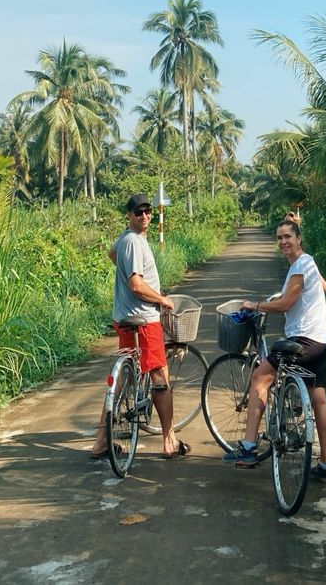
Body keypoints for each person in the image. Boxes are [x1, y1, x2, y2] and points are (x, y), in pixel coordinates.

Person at [225, 217, 326, 484]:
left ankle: (249, 448)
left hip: (303, 340)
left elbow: (286, 304)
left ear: (298, 238)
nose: (284, 242)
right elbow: (324, 287)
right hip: (322, 341)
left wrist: (256, 305)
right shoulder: (308, 262)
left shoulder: (300, 265)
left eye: (288, 236)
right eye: (279, 238)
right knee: (318, 399)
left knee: (260, 378)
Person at [89, 193, 190, 460]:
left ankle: (100, 441)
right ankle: (169, 440)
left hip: (124, 317)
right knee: (160, 376)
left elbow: (112, 254)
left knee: (122, 379)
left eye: (147, 211)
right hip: (144, 318)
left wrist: (122, 269)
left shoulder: (125, 239)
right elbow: (136, 284)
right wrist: (162, 299)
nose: (144, 216)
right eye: (138, 212)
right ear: (129, 215)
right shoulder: (133, 242)